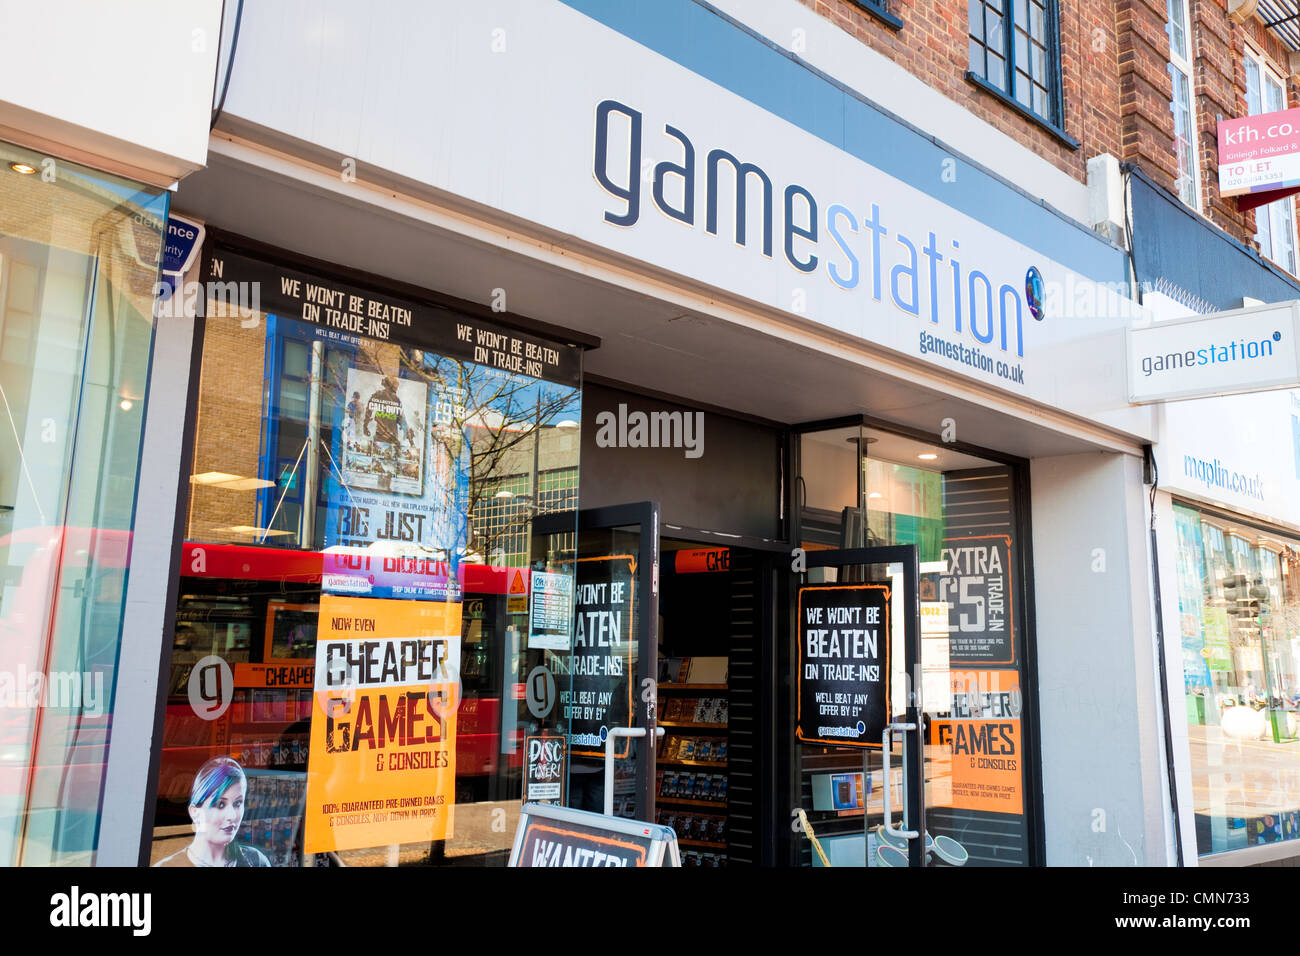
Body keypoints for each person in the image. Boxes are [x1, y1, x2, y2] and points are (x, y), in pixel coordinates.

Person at [155, 757, 270, 867]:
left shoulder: (257, 861)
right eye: (220, 805)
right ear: (195, 812)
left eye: (237, 803)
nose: (232, 815)